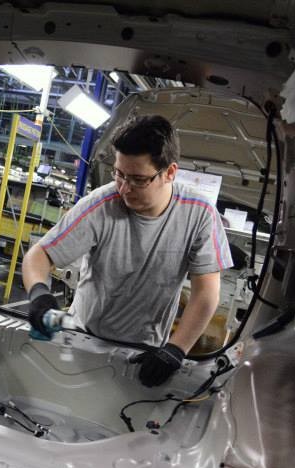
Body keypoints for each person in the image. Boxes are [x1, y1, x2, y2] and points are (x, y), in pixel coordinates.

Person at [21, 115, 233, 387]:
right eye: (119, 174)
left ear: (169, 172)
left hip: (147, 351)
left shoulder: (199, 214)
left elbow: (206, 293)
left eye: (137, 179)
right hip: (84, 338)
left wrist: (176, 350)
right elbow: (39, 255)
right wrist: (39, 294)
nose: (124, 188)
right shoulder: (102, 204)